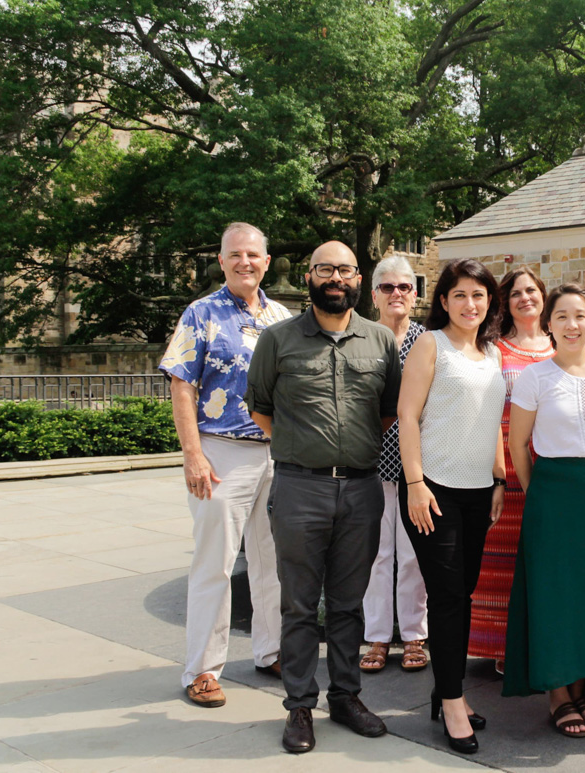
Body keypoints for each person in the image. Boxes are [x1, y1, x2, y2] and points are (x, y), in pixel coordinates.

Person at [245, 241, 401, 753]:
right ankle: (298, 707)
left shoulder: (380, 341)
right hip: (299, 488)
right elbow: (261, 408)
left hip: (360, 488)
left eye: (345, 269)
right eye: (325, 269)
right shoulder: (278, 339)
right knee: (297, 604)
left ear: (359, 279)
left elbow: (387, 411)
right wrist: (304, 450)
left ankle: (347, 696)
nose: (336, 277)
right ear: (310, 276)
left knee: (349, 603)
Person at [159, 222, 292, 709]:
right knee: (213, 564)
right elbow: (181, 384)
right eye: (235, 255)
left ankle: (270, 650)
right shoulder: (201, 313)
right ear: (221, 260)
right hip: (220, 452)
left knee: (271, 561)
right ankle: (201, 670)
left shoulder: (281, 317)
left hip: (275, 454)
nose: (245, 262)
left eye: (253, 254)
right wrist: (193, 454)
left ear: (267, 259)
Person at [503, 284, 585, 738]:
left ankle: (583, 689)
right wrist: (539, 491)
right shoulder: (535, 377)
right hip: (553, 494)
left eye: (580, 315)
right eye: (562, 316)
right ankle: (559, 694)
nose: (572, 324)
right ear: (549, 324)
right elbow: (518, 443)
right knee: (556, 592)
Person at [398, 258, 506, 755]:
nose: (470, 304)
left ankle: (445, 695)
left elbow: (490, 420)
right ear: (444, 300)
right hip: (433, 489)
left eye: (479, 295)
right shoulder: (429, 344)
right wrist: (415, 482)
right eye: (460, 294)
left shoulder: (492, 353)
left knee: (461, 595)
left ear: (489, 302)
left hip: (477, 491)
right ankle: (453, 703)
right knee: (445, 598)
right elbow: (407, 414)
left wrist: (500, 479)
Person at [469, 267, 554, 673]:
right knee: (501, 558)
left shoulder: (562, 344)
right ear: (506, 301)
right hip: (503, 462)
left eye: (532, 290)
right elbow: (483, 412)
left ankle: (540, 638)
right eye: (516, 292)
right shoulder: (493, 349)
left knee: (543, 557)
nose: (525, 298)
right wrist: (495, 475)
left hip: (550, 464)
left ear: (543, 295)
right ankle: (503, 644)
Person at [359, 256, 429, 674]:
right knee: (377, 555)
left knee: (414, 555)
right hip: (368, 462)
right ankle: (378, 637)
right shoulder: (360, 336)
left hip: (416, 465)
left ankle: (415, 635)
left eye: (404, 286)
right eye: (388, 287)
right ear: (374, 295)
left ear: (415, 294)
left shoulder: (428, 340)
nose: (397, 294)